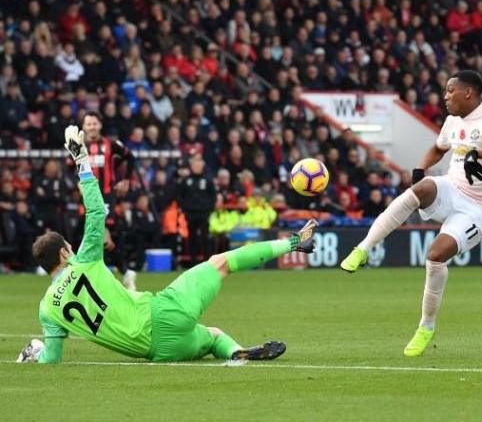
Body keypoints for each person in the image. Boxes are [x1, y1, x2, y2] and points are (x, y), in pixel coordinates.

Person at [17, 125, 318, 364]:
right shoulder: (83, 261)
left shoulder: (47, 309)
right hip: (162, 313)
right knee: (221, 262)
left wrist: (36, 353)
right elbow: (96, 211)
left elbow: (52, 359)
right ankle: (296, 242)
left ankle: (236, 352)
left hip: (156, 351)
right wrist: (81, 160)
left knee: (212, 336)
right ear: (64, 252)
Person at [339, 70, 482, 357]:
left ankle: (426, 326)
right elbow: (438, 148)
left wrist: (478, 152)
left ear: (468, 93)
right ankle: (362, 249)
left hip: (477, 208)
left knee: (435, 256)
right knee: (421, 188)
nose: (445, 96)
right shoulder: (451, 122)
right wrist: (419, 169)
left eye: (450, 91)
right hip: (452, 190)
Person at [81, 111, 138, 290]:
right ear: (84, 127)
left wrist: (126, 180)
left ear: (100, 125)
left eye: (94, 123)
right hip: (89, 197)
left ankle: (95, 279)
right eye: (88, 124)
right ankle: (126, 271)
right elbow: (71, 168)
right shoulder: (80, 147)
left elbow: (130, 157)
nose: (91, 127)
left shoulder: (111, 145)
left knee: (98, 235)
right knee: (103, 239)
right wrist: (77, 184)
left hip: (105, 195)